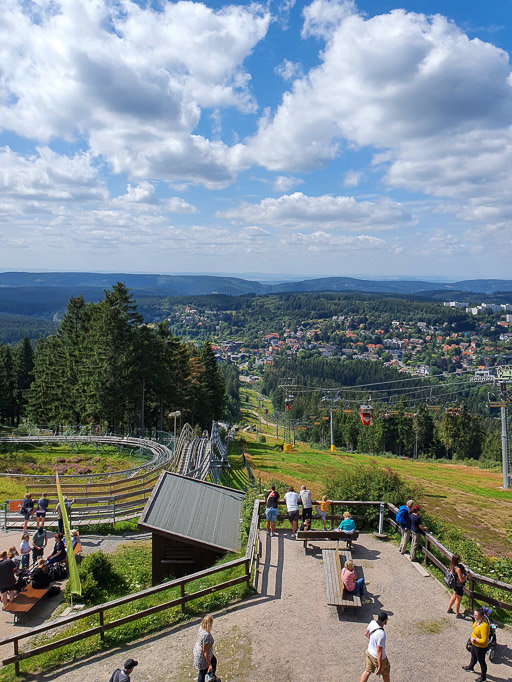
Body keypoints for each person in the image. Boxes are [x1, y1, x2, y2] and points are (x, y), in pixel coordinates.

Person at [360, 612, 391, 682]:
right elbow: (379, 651)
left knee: (367, 671)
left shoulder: (372, 623)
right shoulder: (381, 634)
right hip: (378, 657)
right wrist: (379, 666)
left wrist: (373, 641)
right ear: (384, 621)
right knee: (385, 673)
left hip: (369, 652)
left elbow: (366, 634)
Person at [462, 607, 490, 682]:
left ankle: (483, 677)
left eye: (476, 615)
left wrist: (475, 639)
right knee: (473, 656)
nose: (474, 616)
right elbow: (474, 627)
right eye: (474, 615)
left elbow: (484, 640)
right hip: (475, 645)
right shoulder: (478, 621)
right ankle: (471, 667)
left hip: (480, 647)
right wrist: (476, 622)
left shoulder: (484, 626)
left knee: (481, 661)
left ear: (481, 616)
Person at [193, 614, 216, 682]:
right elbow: (205, 651)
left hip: (198, 651)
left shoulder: (201, 628)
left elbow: (198, 638)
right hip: (202, 657)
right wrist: (209, 665)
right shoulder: (207, 635)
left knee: (214, 661)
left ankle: (211, 675)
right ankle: (209, 677)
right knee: (202, 673)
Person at [447, 554, 467, 618]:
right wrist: (467, 576)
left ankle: (449, 609)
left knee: (454, 596)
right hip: (459, 586)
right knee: (458, 599)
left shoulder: (452, 566)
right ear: (457, 560)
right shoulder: (458, 569)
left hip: (455, 584)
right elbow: (461, 580)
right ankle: (458, 614)